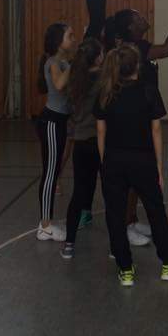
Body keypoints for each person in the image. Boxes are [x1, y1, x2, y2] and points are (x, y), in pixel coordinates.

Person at [103, 4, 168, 245]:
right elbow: (167, 48)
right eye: (138, 17)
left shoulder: (132, 46)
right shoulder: (136, 48)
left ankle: (131, 220)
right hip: (133, 118)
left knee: (133, 178)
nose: (144, 18)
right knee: (132, 177)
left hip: (134, 115)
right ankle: (125, 226)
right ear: (131, 27)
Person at [95, 43, 168, 286]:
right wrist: (158, 167)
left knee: (115, 214)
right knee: (155, 211)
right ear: (137, 67)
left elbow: (101, 131)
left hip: (114, 159)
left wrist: (104, 161)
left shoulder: (106, 92)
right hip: (142, 160)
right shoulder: (148, 91)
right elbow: (156, 130)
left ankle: (125, 269)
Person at [60, 37, 104, 259]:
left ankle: (69, 243)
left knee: (79, 191)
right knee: (110, 192)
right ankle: (116, 247)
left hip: (80, 143)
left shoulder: (75, 80)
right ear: (97, 58)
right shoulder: (103, 79)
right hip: (99, 142)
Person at [35, 22, 77, 242]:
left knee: (54, 169)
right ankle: (44, 226)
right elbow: (60, 84)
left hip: (61, 121)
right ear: (59, 42)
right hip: (51, 122)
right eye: (70, 36)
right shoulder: (53, 62)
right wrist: (73, 64)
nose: (74, 39)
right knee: (51, 172)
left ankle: (47, 220)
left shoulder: (63, 62)